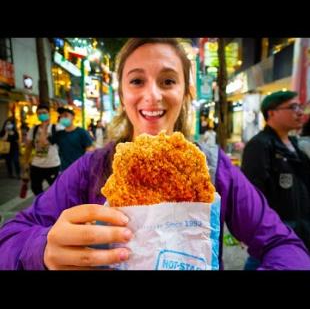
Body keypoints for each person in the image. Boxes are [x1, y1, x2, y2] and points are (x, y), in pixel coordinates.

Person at [0, 38, 310, 270]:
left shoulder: (213, 168)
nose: (153, 94)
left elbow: (283, 244)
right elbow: (8, 239)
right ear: (121, 94)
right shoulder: (90, 170)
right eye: (136, 80)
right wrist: (40, 248)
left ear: (185, 91)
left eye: (168, 81)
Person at [241, 91, 310, 270]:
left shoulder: (297, 145)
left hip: (301, 235)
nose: (300, 112)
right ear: (271, 113)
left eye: (300, 107)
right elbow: (252, 195)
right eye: (293, 107)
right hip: (273, 239)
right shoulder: (259, 145)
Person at [23, 104, 61, 196]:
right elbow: (28, 147)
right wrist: (25, 163)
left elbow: (43, 143)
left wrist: (44, 127)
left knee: (55, 190)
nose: (42, 115)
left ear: (49, 114)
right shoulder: (34, 129)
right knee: (36, 189)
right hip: (36, 165)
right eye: (39, 113)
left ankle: (51, 206)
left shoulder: (56, 128)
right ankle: (41, 206)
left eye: (44, 113)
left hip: (52, 165)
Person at [50, 107, 94, 171]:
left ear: (73, 117)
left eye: (66, 115)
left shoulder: (81, 132)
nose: (63, 118)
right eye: (61, 117)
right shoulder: (59, 134)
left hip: (79, 170)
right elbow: (44, 143)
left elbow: (90, 150)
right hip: (64, 170)